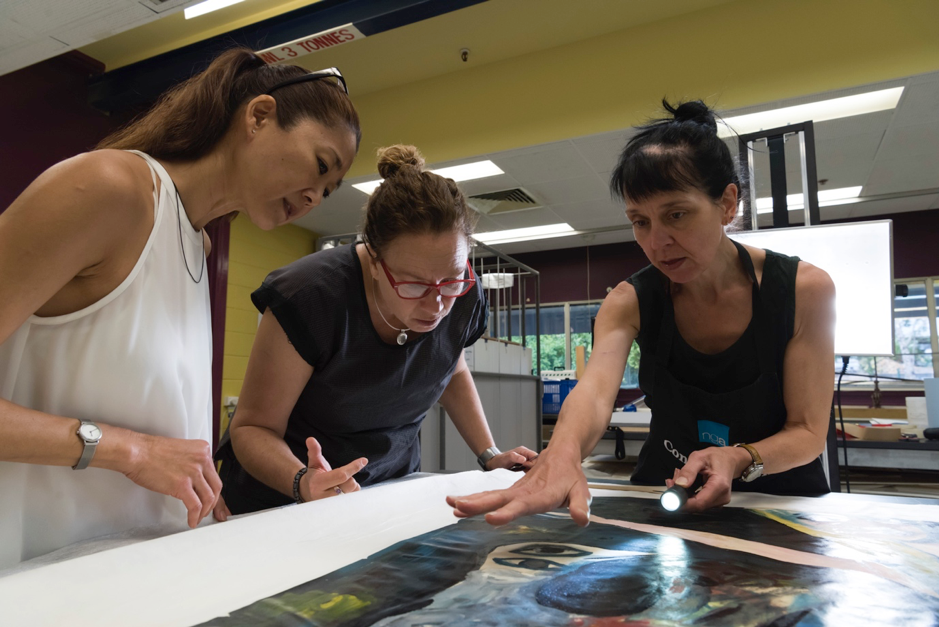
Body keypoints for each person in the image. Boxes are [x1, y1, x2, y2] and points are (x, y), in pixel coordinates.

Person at [0, 47, 361, 567]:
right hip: (33, 574)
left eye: (328, 191)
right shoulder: (111, 190)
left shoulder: (199, 247)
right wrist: (132, 451)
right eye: (320, 165)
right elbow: (137, 448)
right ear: (259, 116)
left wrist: (199, 489)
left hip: (132, 576)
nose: (314, 199)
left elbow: (156, 427)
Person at [448, 100, 836, 524]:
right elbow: (595, 392)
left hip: (779, 502)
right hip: (663, 493)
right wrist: (561, 454)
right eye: (640, 221)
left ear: (727, 203)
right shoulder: (630, 300)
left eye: (676, 215)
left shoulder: (802, 291)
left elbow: (808, 431)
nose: (658, 241)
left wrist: (742, 458)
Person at [217, 145, 538, 514]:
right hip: (281, 499)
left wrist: (489, 455)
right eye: (414, 285)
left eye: (451, 280)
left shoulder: (463, 293)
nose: (436, 305)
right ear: (373, 260)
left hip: (386, 489)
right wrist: (303, 480)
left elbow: (449, 368)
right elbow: (252, 429)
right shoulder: (310, 298)